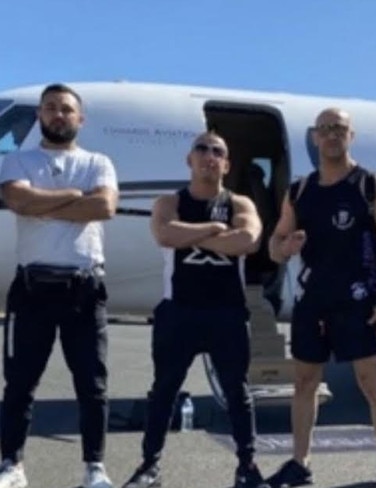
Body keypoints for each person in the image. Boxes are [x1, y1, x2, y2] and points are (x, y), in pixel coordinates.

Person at [266, 108, 376, 488]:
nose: (331, 135)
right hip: (312, 302)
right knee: (303, 383)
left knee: (372, 385)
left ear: (351, 135)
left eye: (339, 129)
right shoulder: (299, 191)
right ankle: (300, 463)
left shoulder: (371, 186)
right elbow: (274, 247)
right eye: (325, 129)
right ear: (314, 137)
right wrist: (285, 246)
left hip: (358, 302)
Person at [121, 131, 270, 488]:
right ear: (190, 160)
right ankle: (149, 466)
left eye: (218, 151)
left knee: (238, 391)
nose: (209, 155)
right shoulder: (169, 202)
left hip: (227, 313)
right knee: (165, 390)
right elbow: (164, 235)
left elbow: (247, 240)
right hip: (179, 311)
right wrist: (215, 230)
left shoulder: (240, 205)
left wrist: (193, 235)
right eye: (201, 149)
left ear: (226, 164)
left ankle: (246, 466)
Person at [0, 83, 118, 488]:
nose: (58, 115)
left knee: (92, 385)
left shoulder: (98, 162)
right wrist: (71, 196)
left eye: (66, 109)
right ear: (40, 116)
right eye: (50, 108)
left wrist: (42, 201)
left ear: (80, 119)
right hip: (33, 288)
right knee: (19, 384)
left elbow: (103, 206)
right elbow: (19, 202)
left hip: (84, 290)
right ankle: (12, 465)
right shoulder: (18, 160)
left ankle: (94, 468)